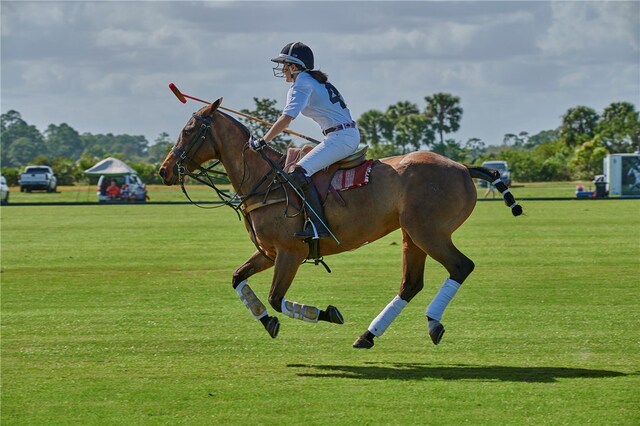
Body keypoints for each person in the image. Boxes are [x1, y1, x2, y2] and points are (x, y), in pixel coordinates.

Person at [250, 42, 360, 240]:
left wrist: (263, 141)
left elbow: (286, 119)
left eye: (284, 65)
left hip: (341, 137)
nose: (282, 69)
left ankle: (318, 226)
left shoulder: (301, 83)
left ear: (294, 67)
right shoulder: (313, 80)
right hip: (341, 135)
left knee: (298, 172)